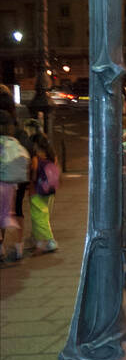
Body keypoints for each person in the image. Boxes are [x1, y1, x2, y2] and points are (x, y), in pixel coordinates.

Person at [0, 111, 31, 263]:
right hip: (13, 184)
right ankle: (18, 248)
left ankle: (1, 249)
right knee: (14, 212)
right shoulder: (16, 138)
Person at [29, 132, 60, 254]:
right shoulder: (53, 156)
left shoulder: (36, 158)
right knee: (44, 217)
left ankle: (49, 241)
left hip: (38, 191)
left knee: (38, 217)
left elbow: (34, 176)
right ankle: (39, 241)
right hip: (50, 191)